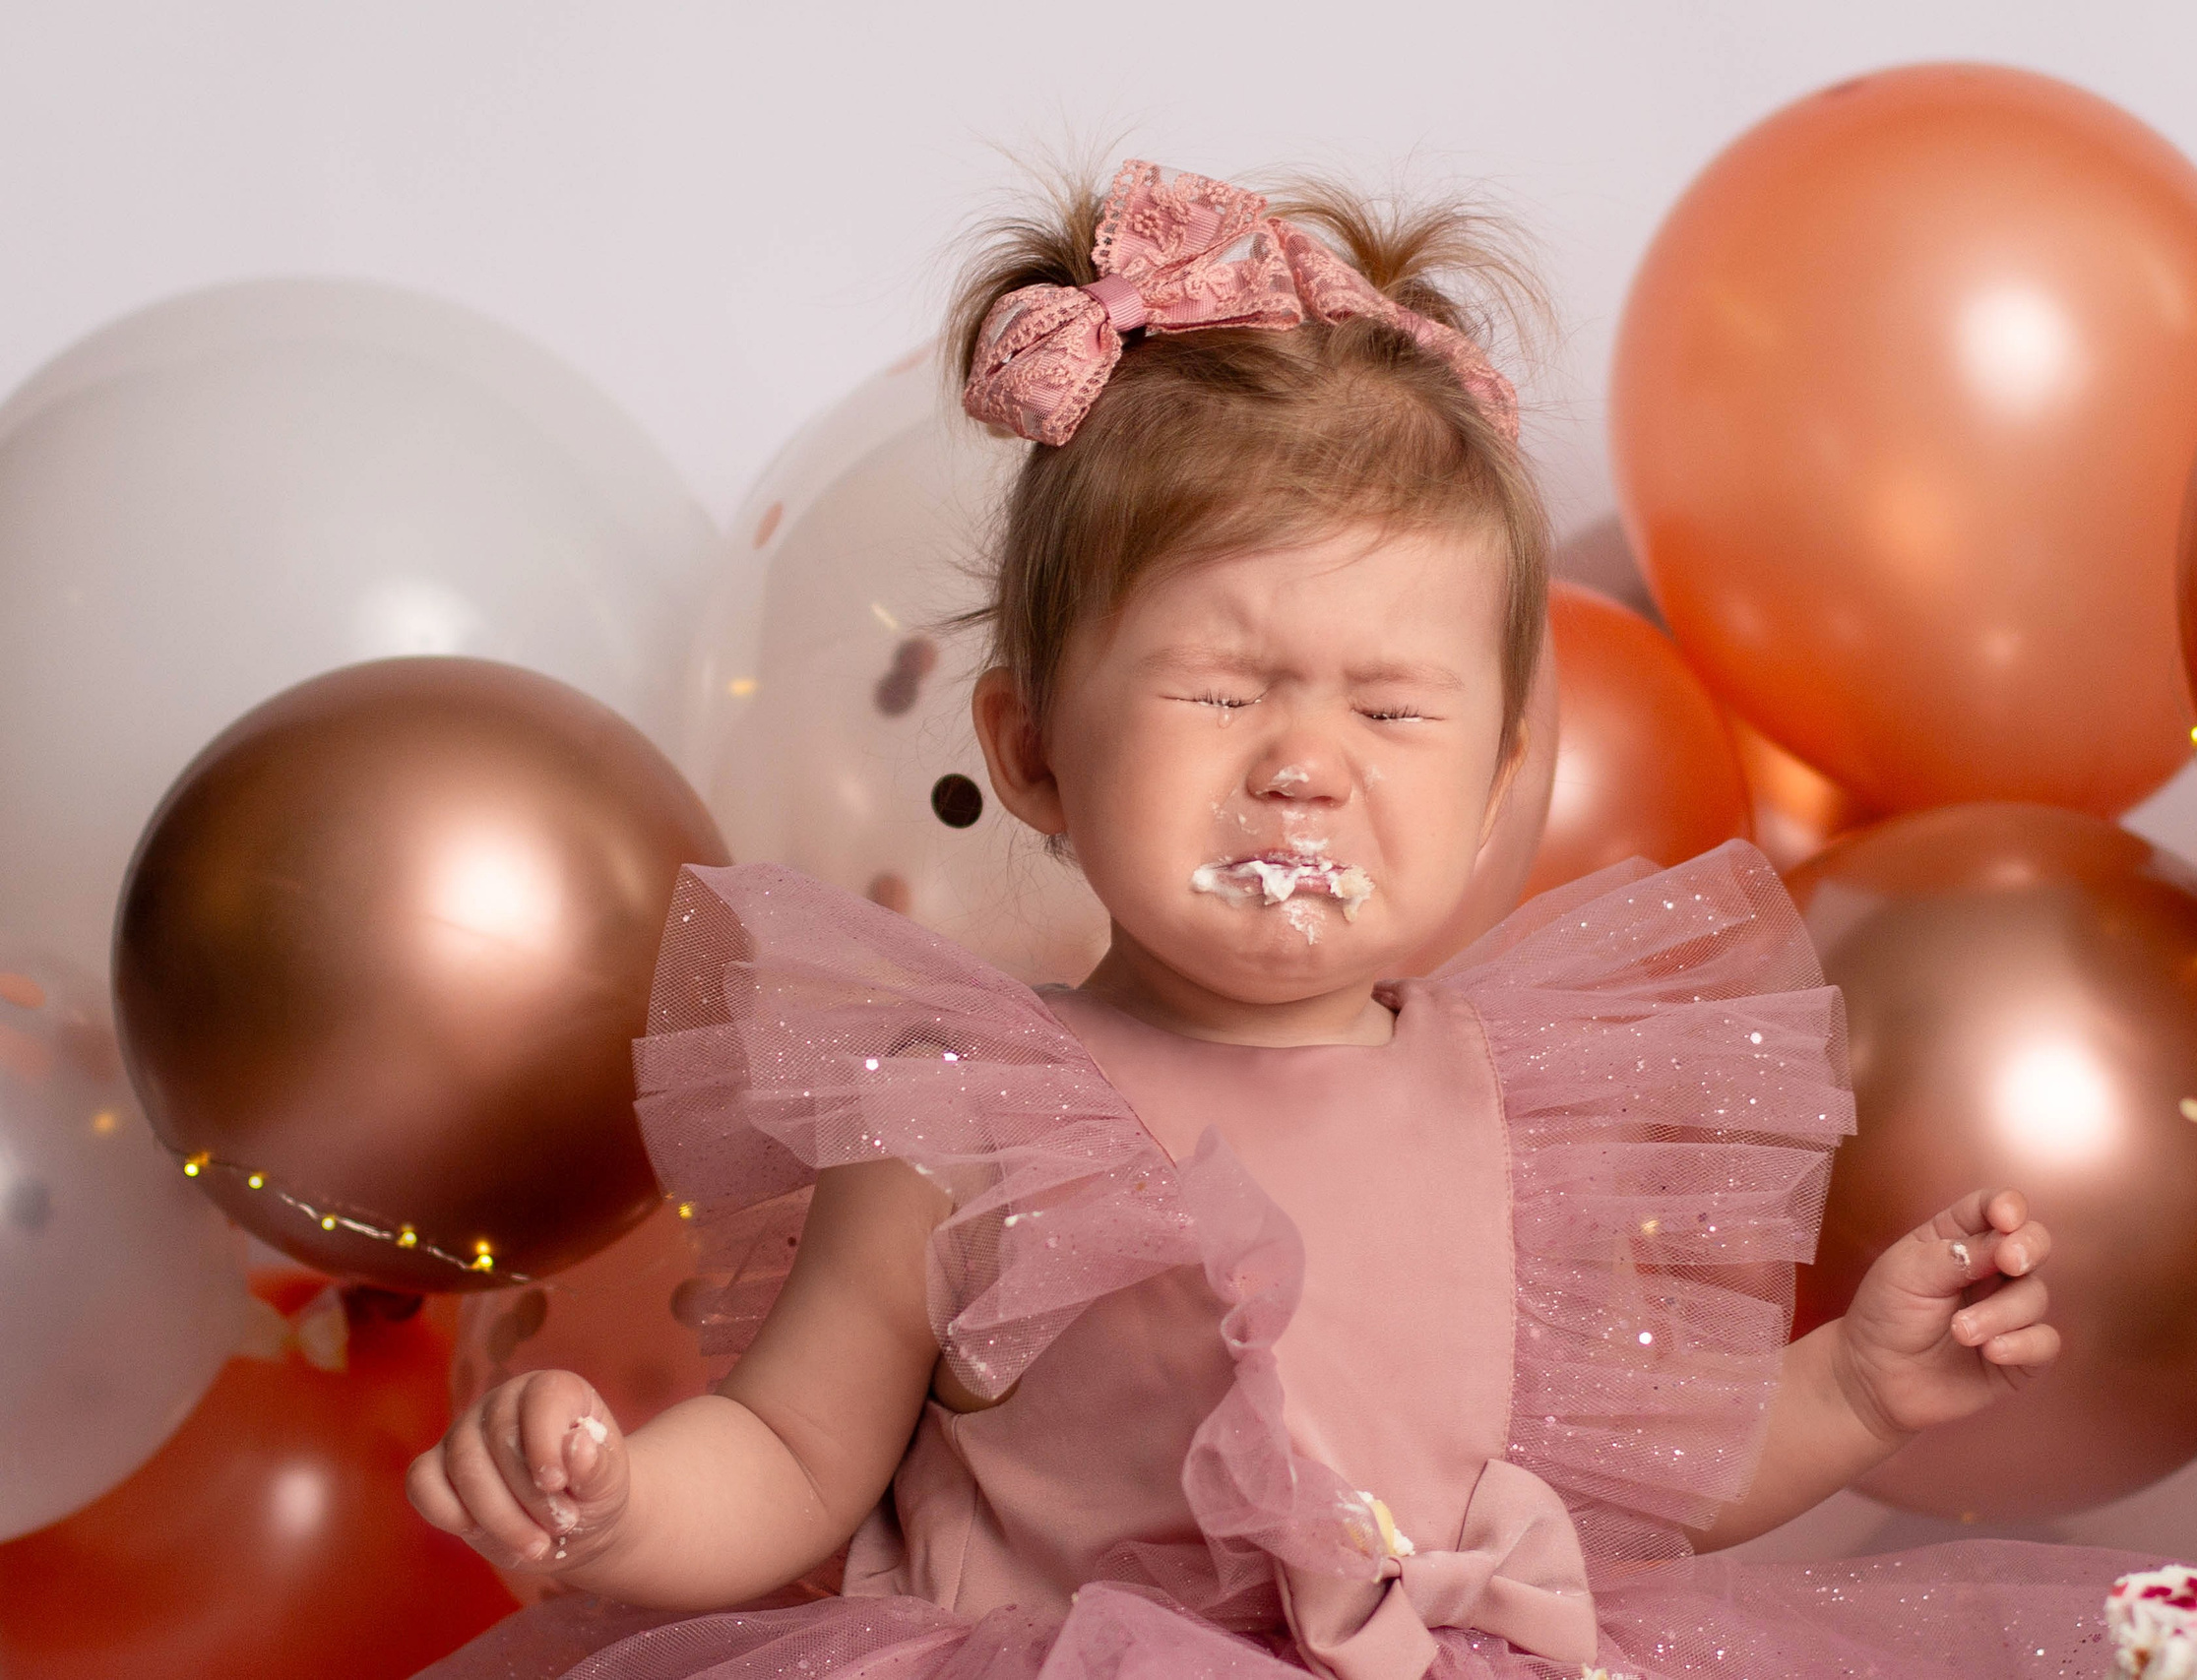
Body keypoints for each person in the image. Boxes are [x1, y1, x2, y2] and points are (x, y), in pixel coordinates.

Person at [410, 160, 2108, 1680]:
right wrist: (617, 1502)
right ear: (1036, 754)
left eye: (1392, 712)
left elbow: (1610, 1500)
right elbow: (788, 1454)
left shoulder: (1521, 1106)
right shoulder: (971, 1119)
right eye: (1222, 694)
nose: (1305, 768)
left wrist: (1855, 1393)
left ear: (1504, 776)